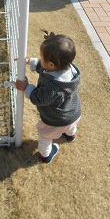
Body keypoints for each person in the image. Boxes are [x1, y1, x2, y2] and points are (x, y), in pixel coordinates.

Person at [15, 30, 82, 164]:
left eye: (41, 57)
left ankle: (46, 155)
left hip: (56, 120)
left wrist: (27, 87)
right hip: (74, 113)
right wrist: (30, 61)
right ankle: (70, 135)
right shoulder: (68, 69)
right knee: (70, 126)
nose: (40, 59)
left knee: (45, 136)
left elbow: (38, 98)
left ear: (51, 65)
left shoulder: (53, 87)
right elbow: (45, 66)